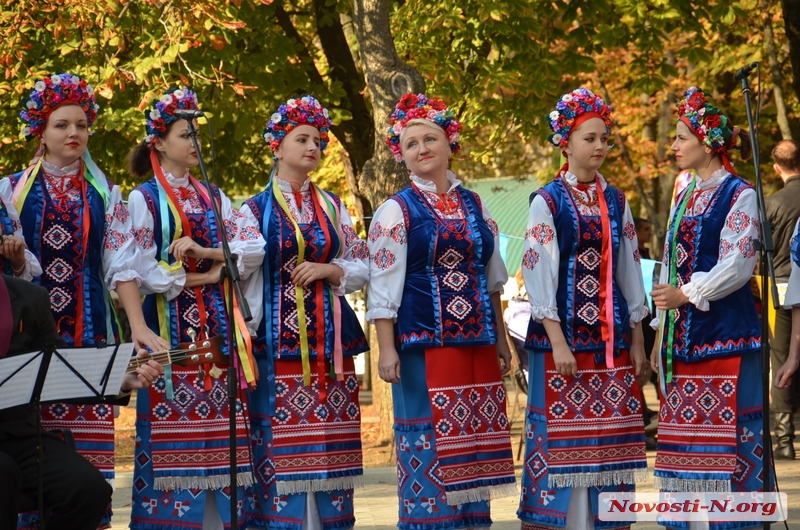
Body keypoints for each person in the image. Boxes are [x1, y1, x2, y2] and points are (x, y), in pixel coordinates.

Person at [0, 71, 169, 528]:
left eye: (80, 124)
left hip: (89, 333)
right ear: (40, 132)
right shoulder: (10, 191)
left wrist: (136, 326)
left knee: (85, 470)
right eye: (61, 125)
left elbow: (122, 266)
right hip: (25, 342)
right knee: (27, 458)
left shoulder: (104, 193)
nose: (73, 133)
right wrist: (15, 264)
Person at [367, 93, 517, 530]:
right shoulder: (396, 210)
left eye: (430, 138)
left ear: (451, 144)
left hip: (478, 343)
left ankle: (473, 522)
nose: (421, 149)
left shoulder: (475, 204)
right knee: (431, 440)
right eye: (410, 144)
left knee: (474, 441)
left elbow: (492, 277)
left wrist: (503, 340)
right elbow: (383, 284)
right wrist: (386, 348)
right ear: (403, 156)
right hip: (423, 345)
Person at [125, 85, 265, 530]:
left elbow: (252, 251)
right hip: (169, 332)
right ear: (159, 142)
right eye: (185, 135)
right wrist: (210, 273)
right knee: (173, 432)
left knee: (223, 436)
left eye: (197, 136)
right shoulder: (142, 199)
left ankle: (223, 522)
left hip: (219, 331)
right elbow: (145, 272)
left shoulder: (215, 196)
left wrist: (205, 254)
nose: (194, 144)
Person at [517, 87, 648, 530]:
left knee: (607, 440)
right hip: (565, 343)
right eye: (590, 138)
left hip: (610, 342)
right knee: (560, 439)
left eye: (605, 138)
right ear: (566, 143)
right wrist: (558, 343)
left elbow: (630, 270)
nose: (599, 146)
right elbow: (539, 274)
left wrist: (637, 341)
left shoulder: (616, 200)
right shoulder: (547, 201)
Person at [240, 95, 369, 530]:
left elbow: (362, 262)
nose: (312, 146)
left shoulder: (333, 205)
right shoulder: (252, 211)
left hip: (330, 343)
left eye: (317, 140)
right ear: (276, 146)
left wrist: (330, 268)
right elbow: (244, 279)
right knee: (278, 445)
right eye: (302, 139)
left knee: (330, 443)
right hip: (276, 345)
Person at [650, 86, 762, 529]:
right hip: (684, 344)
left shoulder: (740, 193)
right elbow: (666, 261)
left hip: (725, 340)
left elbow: (739, 261)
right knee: (688, 444)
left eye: (681, 138)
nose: (673, 146)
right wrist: (663, 322)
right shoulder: (684, 195)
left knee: (728, 445)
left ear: (707, 143)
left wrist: (688, 294)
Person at [0, 274, 161, 530]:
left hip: (17, 435)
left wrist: (122, 379)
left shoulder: (31, 296)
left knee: (90, 489)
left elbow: (59, 371)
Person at [764, 139, 800, 460]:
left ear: (777, 168)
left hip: (783, 288)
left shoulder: (771, 203)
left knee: (782, 360)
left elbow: (765, 252)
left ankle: (785, 439)